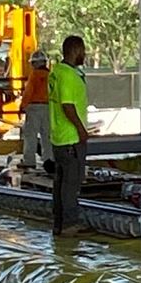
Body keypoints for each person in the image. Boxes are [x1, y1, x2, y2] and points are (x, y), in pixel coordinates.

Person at [46, 35, 92, 235]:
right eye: (82, 50)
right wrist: (81, 130)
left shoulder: (56, 72)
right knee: (70, 184)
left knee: (61, 182)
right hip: (71, 138)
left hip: (59, 137)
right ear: (75, 50)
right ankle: (69, 224)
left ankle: (59, 222)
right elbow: (67, 105)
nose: (84, 54)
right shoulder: (68, 76)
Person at [19, 52, 53, 172]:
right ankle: (49, 160)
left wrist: (22, 106)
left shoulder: (34, 75)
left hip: (34, 108)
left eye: (33, 62)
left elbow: (28, 92)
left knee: (30, 136)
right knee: (47, 135)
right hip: (48, 107)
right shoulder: (51, 75)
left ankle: (29, 161)